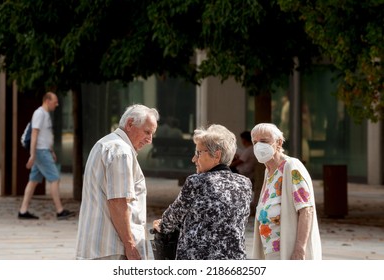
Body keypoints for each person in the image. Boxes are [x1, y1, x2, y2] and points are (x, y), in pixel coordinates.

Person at [153, 124, 252, 260]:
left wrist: (161, 225)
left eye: (198, 153)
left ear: (216, 155)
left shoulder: (197, 181)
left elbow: (173, 217)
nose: (194, 159)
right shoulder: (244, 183)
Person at [75, 104, 159, 260]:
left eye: (152, 134)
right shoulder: (121, 151)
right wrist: (130, 245)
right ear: (129, 124)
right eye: (147, 132)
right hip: (112, 248)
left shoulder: (106, 143)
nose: (149, 140)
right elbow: (118, 202)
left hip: (98, 244)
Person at [251, 123, 322, 260]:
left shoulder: (291, 166)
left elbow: (306, 210)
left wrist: (300, 249)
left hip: (288, 252)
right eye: (255, 142)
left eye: (264, 141)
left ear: (278, 143)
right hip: (270, 252)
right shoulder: (268, 171)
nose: (259, 146)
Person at [18, 92, 75, 220]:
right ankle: (60, 211)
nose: (57, 104)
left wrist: (51, 150)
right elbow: (34, 134)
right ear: (47, 100)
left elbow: (45, 136)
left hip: (44, 151)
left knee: (33, 181)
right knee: (55, 178)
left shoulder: (45, 115)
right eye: (55, 101)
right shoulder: (39, 113)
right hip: (40, 152)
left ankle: (23, 211)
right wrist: (33, 154)